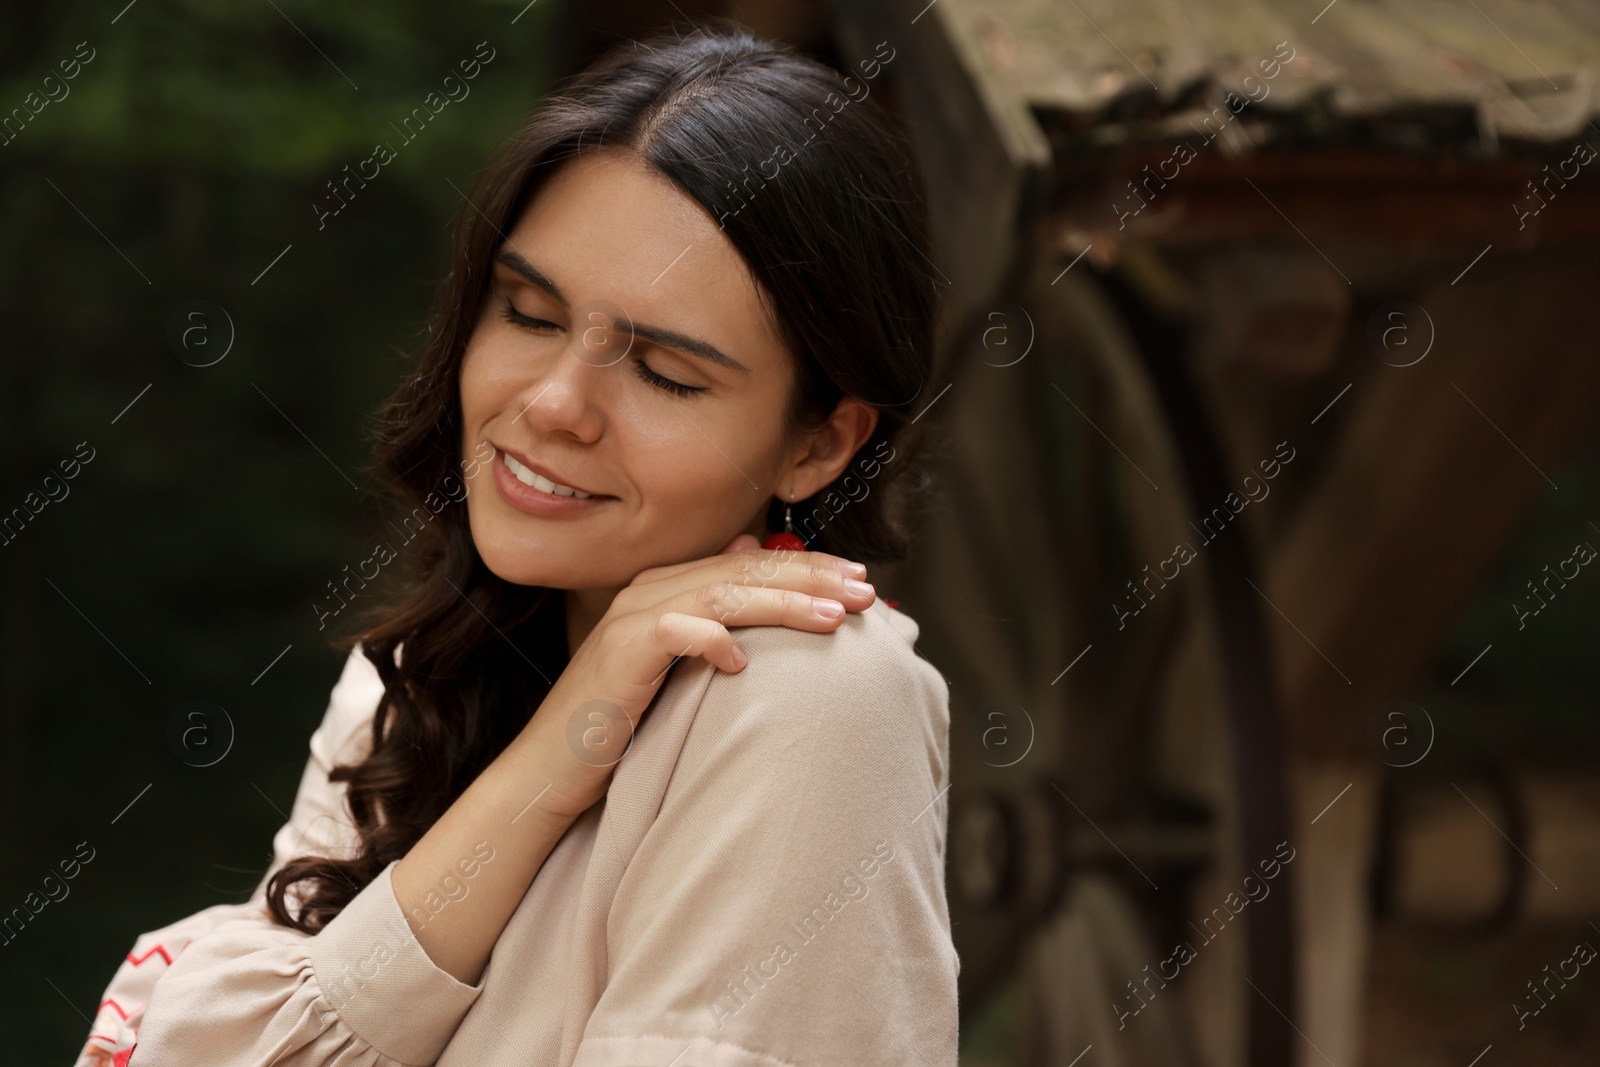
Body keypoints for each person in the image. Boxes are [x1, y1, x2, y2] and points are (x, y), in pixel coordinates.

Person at [74, 23, 956, 1067]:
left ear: (818, 443)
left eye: (668, 373)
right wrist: (557, 749)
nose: (553, 404)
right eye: (528, 312)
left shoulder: (809, 693)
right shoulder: (416, 680)